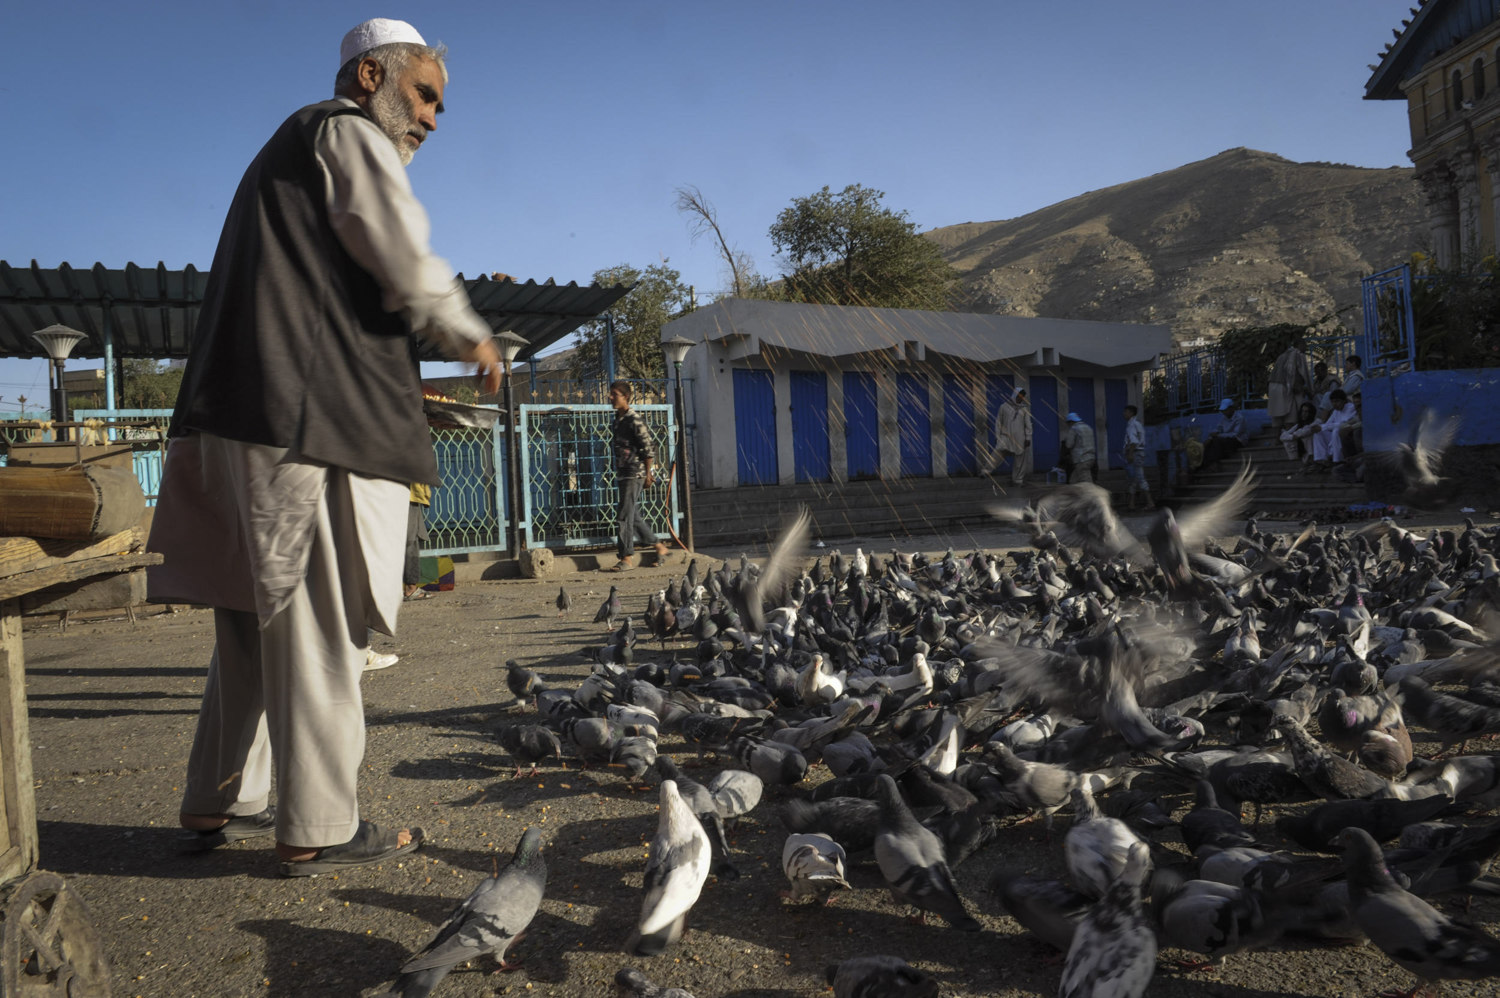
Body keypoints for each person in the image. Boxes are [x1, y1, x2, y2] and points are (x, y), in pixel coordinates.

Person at [147, 18, 502, 874]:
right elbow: (398, 246)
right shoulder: (346, 132)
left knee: (251, 624)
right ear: (369, 74)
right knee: (320, 625)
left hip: (243, 417)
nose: (431, 119)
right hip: (301, 422)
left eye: (438, 107)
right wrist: (467, 332)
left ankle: (220, 803)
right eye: (423, 96)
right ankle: (318, 824)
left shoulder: (283, 150)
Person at [608, 380, 669, 571]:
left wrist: (649, 474)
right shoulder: (618, 420)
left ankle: (626, 557)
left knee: (624, 516)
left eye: (615, 394)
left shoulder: (634, 420)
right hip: (623, 472)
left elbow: (648, 449)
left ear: (625, 397)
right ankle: (659, 547)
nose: (611, 398)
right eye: (611, 394)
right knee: (632, 514)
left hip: (635, 473)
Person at [987, 387, 1032, 486]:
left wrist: (1028, 438)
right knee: (998, 453)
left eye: (1022, 397)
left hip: (1020, 438)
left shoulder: (1024, 409)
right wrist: (997, 436)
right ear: (1015, 395)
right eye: (1019, 396)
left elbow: (1028, 424)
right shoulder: (1004, 407)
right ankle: (986, 471)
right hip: (1006, 437)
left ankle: (1017, 480)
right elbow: (998, 422)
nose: (1021, 398)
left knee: (1020, 459)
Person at [1267, 337, 1312, 430]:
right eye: (1304, 345)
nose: (1306, 348)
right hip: (1285, 387)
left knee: (1277, 414)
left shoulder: (1282, 356)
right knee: (1290, 414)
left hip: (1273, 386)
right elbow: (1296, 373)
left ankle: (1277, 440)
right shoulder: (1297, 355)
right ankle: (1290, 437)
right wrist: (1306, 389)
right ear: (1299, 345)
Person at [1310, 389, 1357, 470]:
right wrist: (1319, 427)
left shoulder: (1351, 408)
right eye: (1333, 402)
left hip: (1348, 436)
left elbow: (1343, 424)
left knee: (1336, 431)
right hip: (1335, 438)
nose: (1334, 404)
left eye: (1337, 401)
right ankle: (1321, 459)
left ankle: (1337, 460)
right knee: (1319, 432)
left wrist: (1323, 427)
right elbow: (1327, 424)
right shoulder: (1336, 411)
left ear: (1344, 401)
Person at [1202, 397, 1247, 469]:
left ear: (1231, 408)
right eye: (1223, 411)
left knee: (1218, 441)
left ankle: (1215, 462)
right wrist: (1211, 436)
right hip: (1225, 440)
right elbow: (1219, 429)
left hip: (1238, 441)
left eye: (1225, 410)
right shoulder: (1224, 419)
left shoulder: (1239, 418)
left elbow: (1235, 434)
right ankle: (1207, 464)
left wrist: (1218, 435)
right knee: (1209, 443)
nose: (1224, 412)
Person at [1122, 404, 1152, 510]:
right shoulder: (1137, 424)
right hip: (1138, 453)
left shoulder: (1131, 425)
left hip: (1135, 453)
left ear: (1130, 413)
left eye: (1126, 412)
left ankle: (1150, 502)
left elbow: (1133, 442)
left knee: (1139, 478)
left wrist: (1130, 454)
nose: (1124, 414)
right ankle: (1131, 504)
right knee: (1133, 479)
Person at [1062, 412, 1095, 484]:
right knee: (1073, 481)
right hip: (1091, 457)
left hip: (1081, 459)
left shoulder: (1074, 429)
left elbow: (1069, 445)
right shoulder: (1088, 427)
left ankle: (1091, 494)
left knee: (1086, 481)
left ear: (1070, 422)